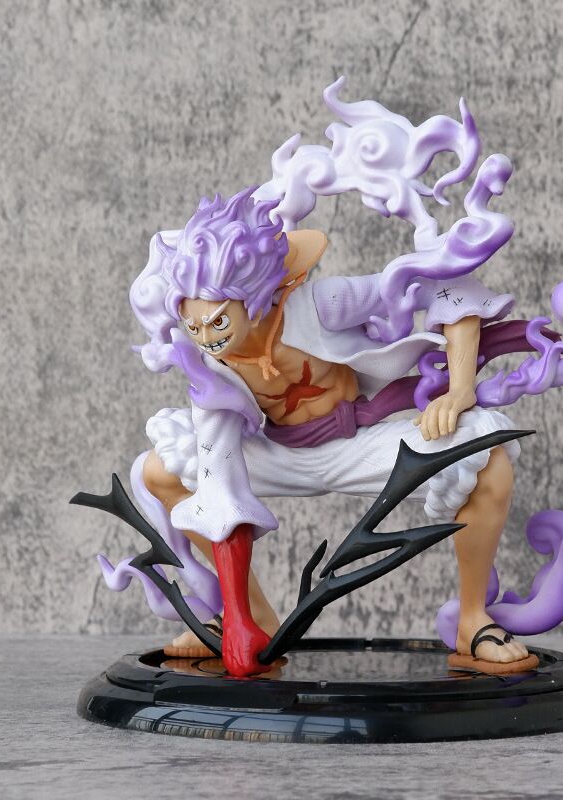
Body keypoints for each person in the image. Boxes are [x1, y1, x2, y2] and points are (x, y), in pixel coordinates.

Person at [130, 188, 534, 676]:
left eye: (216, 322)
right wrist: (236, 616)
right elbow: (218, 484)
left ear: (251, 296)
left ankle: (472, 619)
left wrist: (459, 390)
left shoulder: (320, 304)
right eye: (193, 327)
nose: (207, 340)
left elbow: (442, 283)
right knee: (160, 469)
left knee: (487, 458)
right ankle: (254, 617)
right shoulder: (209, 364)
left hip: (356, 446)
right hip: (274, 453)